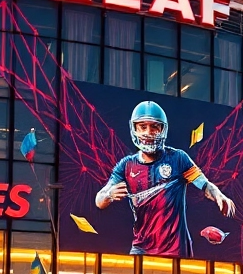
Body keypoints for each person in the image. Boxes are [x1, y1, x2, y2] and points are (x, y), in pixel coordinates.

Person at [96, 100, 235, 258]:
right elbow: (99, 200)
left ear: (163, 129)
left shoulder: (178, 158)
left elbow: (205, 185)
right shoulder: (126, 165)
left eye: (155, 126)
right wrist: (108, 195)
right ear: (134, 128)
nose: (149, 132)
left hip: (177, 249)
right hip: (141, 248)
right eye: (143, 126)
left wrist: (218, 195)